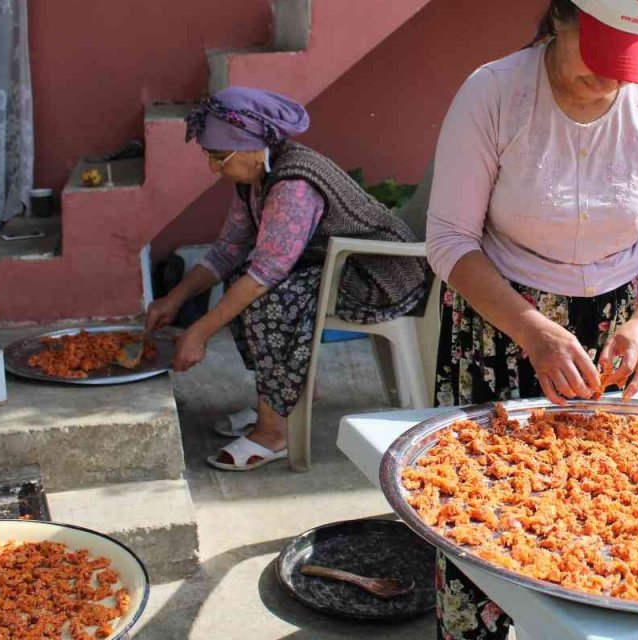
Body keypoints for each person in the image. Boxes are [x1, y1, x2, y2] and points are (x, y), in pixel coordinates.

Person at [424, 0, 638, 635]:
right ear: (559, 18)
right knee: (486, 521)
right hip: (500, 326)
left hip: (615, 331)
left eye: (628, 65)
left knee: (608, 523)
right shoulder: (494, 93)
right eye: (600, 57)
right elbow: (449, 241)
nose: (611, 80)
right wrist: (532, 330)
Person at [146, 86, 427, 471]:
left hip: (379, 275)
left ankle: (273, 430)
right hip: (336, 267)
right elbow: (228, 250)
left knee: (269, 299)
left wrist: (198, 332)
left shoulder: (294, 184)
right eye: (209, 156)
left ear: (252, 147)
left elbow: (266, 274)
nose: (214, 168)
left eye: (219, 157)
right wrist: (174, 300)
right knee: (244, 285)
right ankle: (287, 396)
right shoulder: (256, 178)